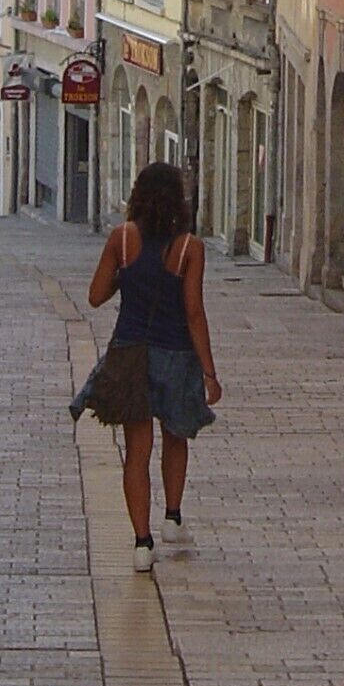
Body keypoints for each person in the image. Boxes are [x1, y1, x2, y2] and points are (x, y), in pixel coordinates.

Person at [78, 162, 221, 573]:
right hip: (175, 352)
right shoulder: (190, 248)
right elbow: (194, 312)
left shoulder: (121, 240)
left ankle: (142, 543)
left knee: (136, 452)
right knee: (176, 435)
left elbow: (95, 296)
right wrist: (209, 372)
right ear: (179, 200)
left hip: (131, 352)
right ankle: (172, 517)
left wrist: (126, 278)